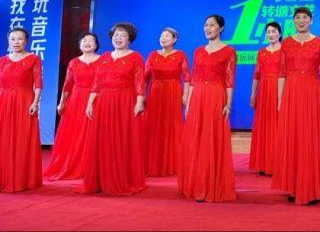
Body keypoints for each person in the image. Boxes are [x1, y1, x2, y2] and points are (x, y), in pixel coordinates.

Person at [272, 7, 320, 205]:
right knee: (294, 136)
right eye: (298, 17)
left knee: (310, 136)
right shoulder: (287, 43)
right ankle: (294, 185)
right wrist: (280, 98)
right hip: (291, 92)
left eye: (305, 17)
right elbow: (281, 73)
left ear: (311, 20)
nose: (301, 20)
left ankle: (311, 187)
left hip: (312, 92)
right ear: (293, 21)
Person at [82, 22, 146, 195]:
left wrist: (140, 102)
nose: (118, 38)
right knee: (103, 139)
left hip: (125, 101)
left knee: (122, 139)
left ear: (130, 39)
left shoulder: (136, 57)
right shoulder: (104, 58)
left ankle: (122, 178)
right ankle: (101, 179)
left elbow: (140, 82)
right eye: (116, 35)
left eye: (123, 35)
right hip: (104, 101)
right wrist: (90, 103)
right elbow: (97, 82)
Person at [178, 15, 236, 202]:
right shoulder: (198, 51)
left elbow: (230, 80)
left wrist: (228, 104)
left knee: (212, 138)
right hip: (198, 96)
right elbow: (193, 78)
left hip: (216, 95)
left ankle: (211, 184)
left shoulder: (229, 51)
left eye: (212, 25)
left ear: (221, 28)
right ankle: (196, 183)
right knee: (196, 137)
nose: (208, 28)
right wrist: (189, 101)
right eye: (206, 25)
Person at [44, 32, 100, 180]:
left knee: (92, 132)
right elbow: (67, 84)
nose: (87, 43)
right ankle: (73, 164)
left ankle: (91, 165)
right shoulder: (74, 62)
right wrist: (62, 102)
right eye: (84, 40)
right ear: (79, 45)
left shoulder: (103, 61)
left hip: (96, 99)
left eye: (91, 40)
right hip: (76, 99)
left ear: (96, 45)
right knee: (75, 132)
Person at [0, 28, 43, 193]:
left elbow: (38, 83)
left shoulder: (33, 59)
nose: (16, 42)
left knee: (22, 138)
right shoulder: (2, 61)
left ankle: (21, 178)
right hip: (4, 101)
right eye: (13, 39)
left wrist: (35, 102)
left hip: (24, 101)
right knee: (4, 138)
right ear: (8, 41)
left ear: (26, 41)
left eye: (20, 39)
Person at [144, 27, 190, 176]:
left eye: (167, 36)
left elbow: (187, 78)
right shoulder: (152, 55)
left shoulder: (180, 55)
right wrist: (142, 95)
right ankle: (153, 163)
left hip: (173, 92)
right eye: (162, 36)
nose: (163, 38)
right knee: (154, 125)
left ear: (174, 39)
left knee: (172, 125)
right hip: (155, 92)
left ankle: (174, 163)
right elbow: (145, 78)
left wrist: (185, 95)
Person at [249, 22, 282, 175]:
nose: (271, 34)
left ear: (280, 34)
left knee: (278, 125)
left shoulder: (285, 51)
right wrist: (253, 94)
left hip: (280, 89)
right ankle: (264, 163)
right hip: (264, 91)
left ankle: (278, 163)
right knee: (264, 125)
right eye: (268, 32)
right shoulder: (262, 52)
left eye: (274, 31)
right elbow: (257, 74)